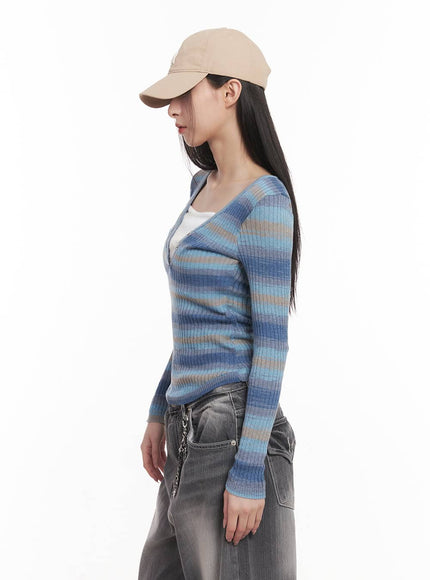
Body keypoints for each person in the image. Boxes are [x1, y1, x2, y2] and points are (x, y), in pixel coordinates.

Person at [137, 27, 301, 580]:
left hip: (233, 433)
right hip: (186, 430)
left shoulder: (265, 203)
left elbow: (271, 345)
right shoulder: (200, 190)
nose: (173, 111)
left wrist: (249, 469)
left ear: (230, 91)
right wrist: (159, 407)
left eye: (185, 95)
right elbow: (199, 325)